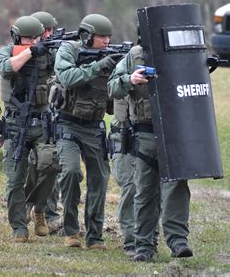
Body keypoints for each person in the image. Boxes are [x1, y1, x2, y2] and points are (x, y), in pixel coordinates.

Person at [108, 44, 193, 261]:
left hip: (175, 131)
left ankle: (178, 242)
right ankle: (144, 246)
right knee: (144, 190)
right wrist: (130, 80)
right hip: (144, 132)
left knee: (176, 186)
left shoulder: (183, 53)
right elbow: (113, 88)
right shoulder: (134, 56)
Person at [53, 14, 119, 249]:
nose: (107, 40)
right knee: (70, 172)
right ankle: (71, 231)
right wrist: (98, 66)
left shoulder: (112, 57)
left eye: (109, 36)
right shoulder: (68, 51)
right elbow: (68, 78)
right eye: (102, 36)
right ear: (87, 36)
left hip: (94, 127)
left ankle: (95, 235)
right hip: (67, 123)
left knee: (99, 179)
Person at [0, 15, 60, 243]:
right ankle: (19, 228)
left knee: (51, 164)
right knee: (15, 180)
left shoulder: (49, 54)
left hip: (42, 122)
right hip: (15, 125)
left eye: (36, 38)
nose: (33, 41)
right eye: (27, 38)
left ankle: (39, 208)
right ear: (16, 37)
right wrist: (32, 52)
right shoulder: (6, 52)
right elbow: (6, 68)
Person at [23, 11, 62, 231]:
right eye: (43, 31)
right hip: (31, 119)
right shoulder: (30, 53)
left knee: (51, 165)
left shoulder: (57, 52)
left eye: (50, 31)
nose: (48, 35)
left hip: (54, 115)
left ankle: (49, 212)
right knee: (32, 165)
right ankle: (32, 205)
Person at [108, 98, 137, 256]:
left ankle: (149, 239)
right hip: (123, 134)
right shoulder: (118, 73)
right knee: (130, 186)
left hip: (148, 128)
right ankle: (130, 240)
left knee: (150, 189)